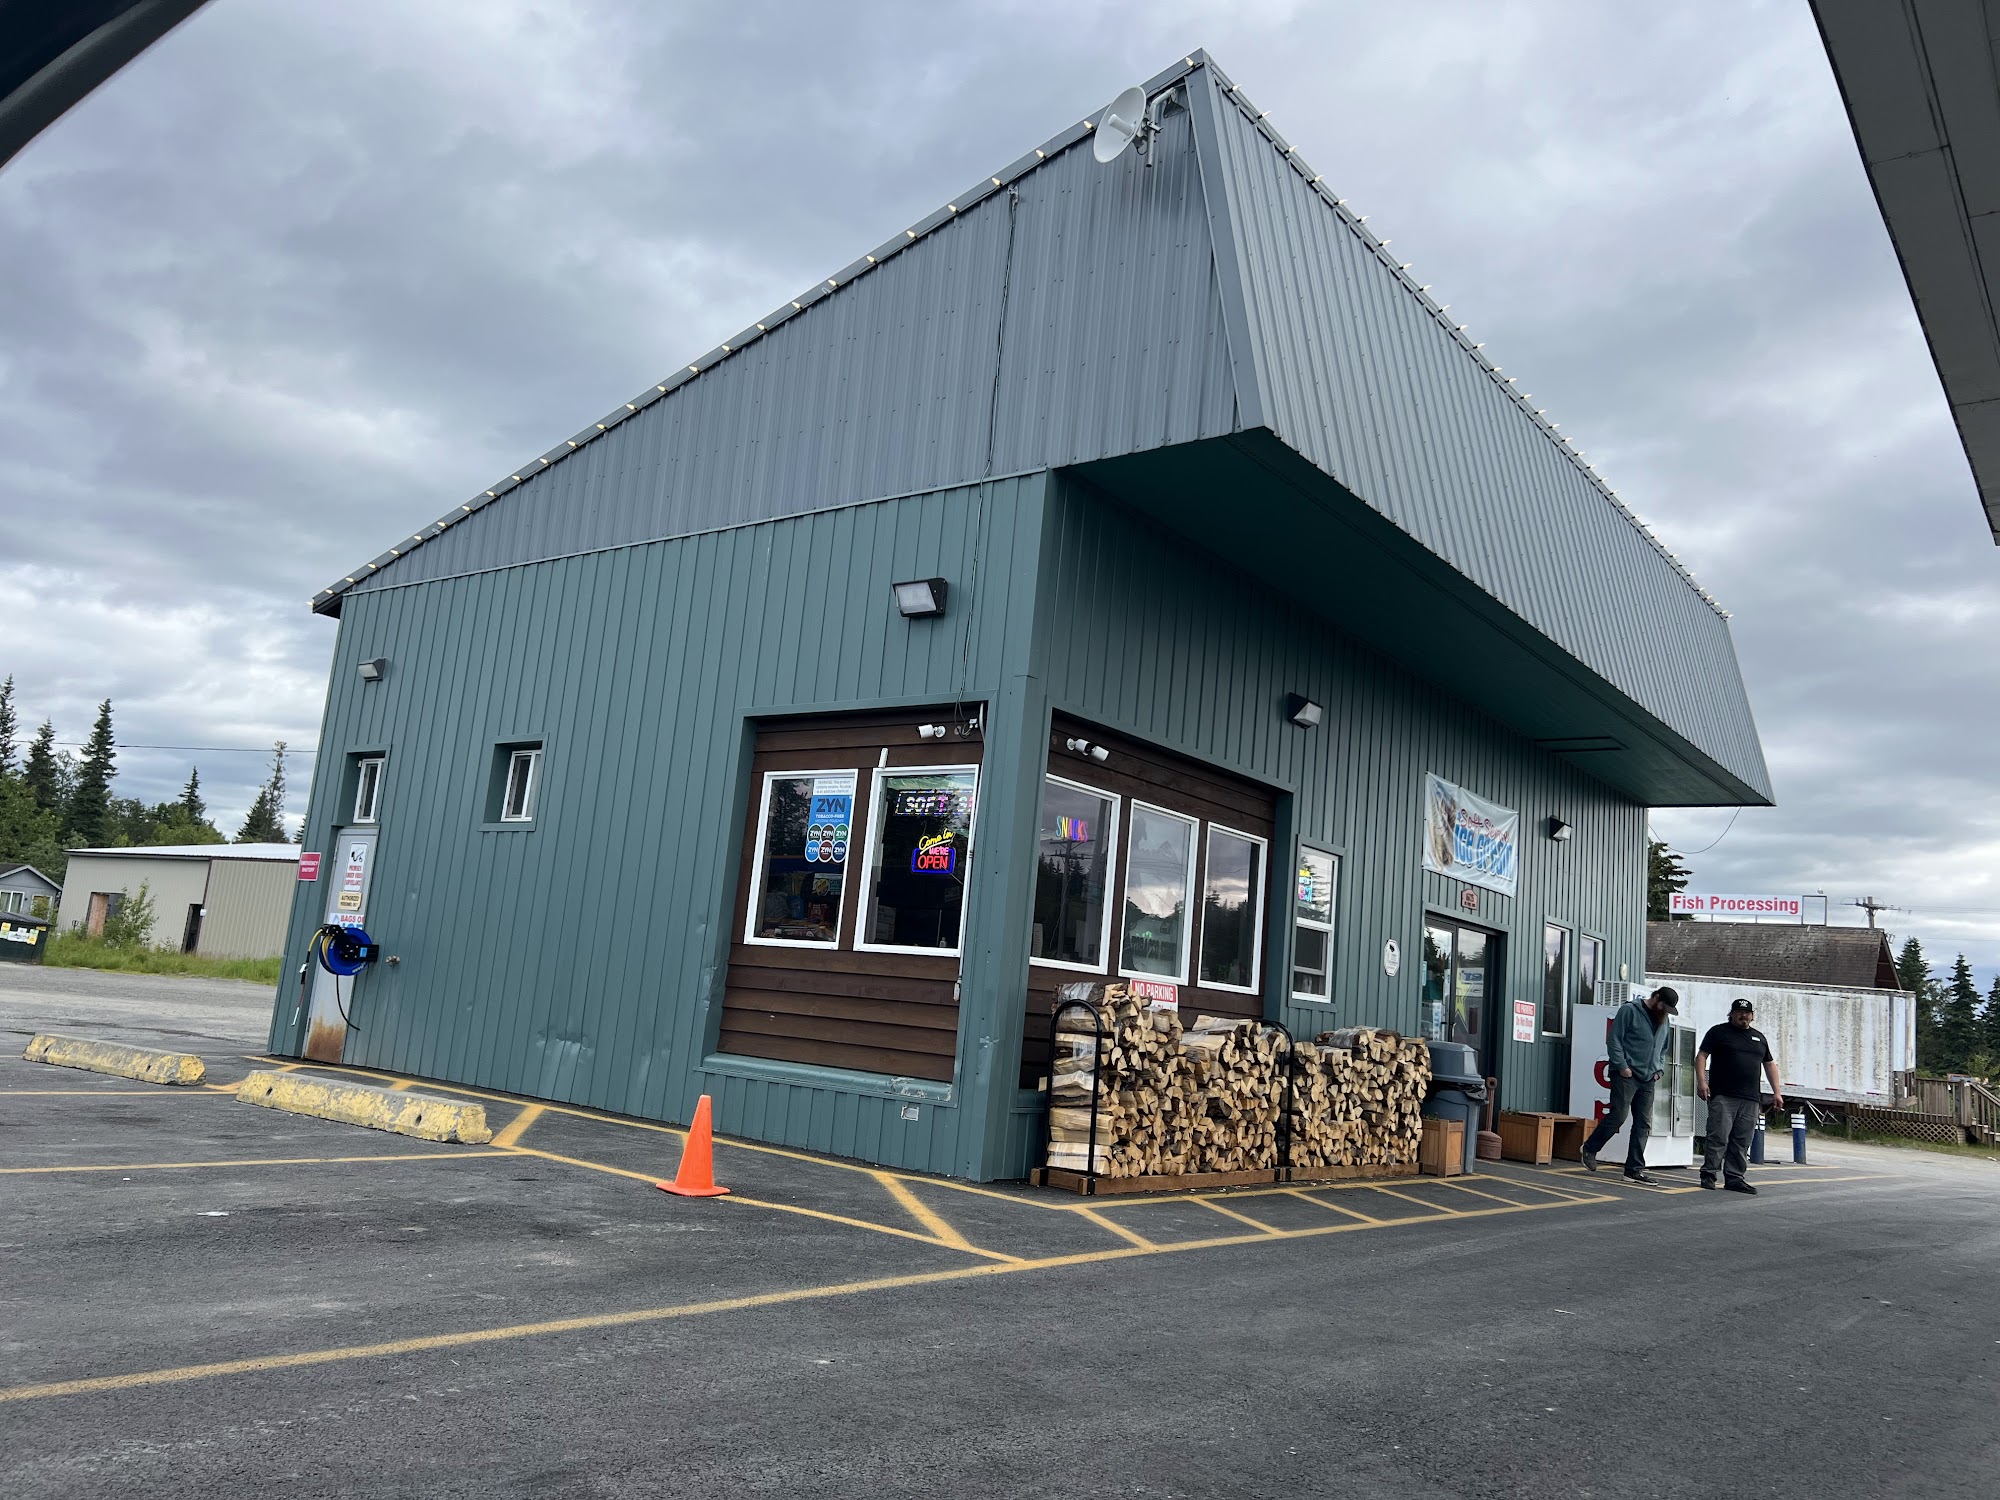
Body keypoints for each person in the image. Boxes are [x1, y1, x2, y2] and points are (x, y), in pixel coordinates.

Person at [1582, 985, 1678, 1184]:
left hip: (1649, 1077)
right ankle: (1590, 1148)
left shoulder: (1664, 1019)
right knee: (1619, 1115)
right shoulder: (1629, 1010)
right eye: (1664, 1006)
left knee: (1643, 1123)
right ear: (1656, 998)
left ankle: (1633, 1170)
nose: (1665, 1011)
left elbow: (1663, 1048)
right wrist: (1622, 1066)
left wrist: (1659, 1070)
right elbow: (1614, 1040)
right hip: (1626, 1074)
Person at [1696, 999, 1783, 1195]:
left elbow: (1769, 1064)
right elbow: (1701, 1056)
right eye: (1739, 1012)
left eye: (1747, 1013)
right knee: (1718, 1136)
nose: (1743, 1016)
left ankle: (1735, 1178)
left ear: (1752, 1016)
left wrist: (1777, 1092)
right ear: (1732, 1014)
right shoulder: (1718, 1032)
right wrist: (1702, 1082)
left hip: (1751, 1098)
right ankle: (1709, 1174)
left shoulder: (1759, 1038)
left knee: (1742, 1140)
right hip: (1723, 1095)